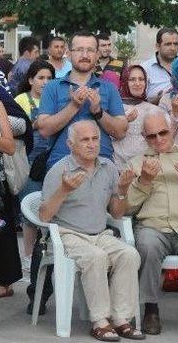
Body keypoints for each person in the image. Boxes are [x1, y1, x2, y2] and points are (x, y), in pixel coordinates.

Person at [40, 120, 144, 341]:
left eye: (95, 139)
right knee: (96, 258)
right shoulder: (59, 170)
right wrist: (64, 190)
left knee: (130, 254)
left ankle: (121, 318)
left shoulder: (108, 167)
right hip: (69, 235)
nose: (91, 144)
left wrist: (123, 190)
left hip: (100, 234)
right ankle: (100, 321)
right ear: (70, 144)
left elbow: (116, 214)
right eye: (84, 140)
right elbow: (44, 216)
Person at [126, 110, 178, 335]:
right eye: (152, 136)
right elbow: (127, 208)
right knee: (147, 245)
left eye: (163, 132)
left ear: (172, 130)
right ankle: (151, 308)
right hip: (152, 227)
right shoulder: (136, 163)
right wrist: (143, 181)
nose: (159, 139)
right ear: (144, 137)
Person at [37, 30, 128, 171]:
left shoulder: (109, 88)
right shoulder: (52, 87)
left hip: (101, 165)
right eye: (79, 50)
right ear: (68, 53)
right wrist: (73, 106)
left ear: (97, 54)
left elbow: (121, 132)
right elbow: (43, 130)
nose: (85, 55)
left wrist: (98, 111)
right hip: (61, 164)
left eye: (90, 50)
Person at [14, 60, 55, 268]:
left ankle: (48, 253)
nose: (45, 82)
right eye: (41, 78)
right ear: (30, 80)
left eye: (49, 78)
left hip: (51, 158)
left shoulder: (57, 99)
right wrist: (34, 124)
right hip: (29, 160)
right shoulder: (21, 99)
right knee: (29, 208)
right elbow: (13, 128)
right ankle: (29, 257)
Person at [113, 65, 158, 171]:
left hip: (145, 168)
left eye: (141, 79)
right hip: (118, 168)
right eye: (132, 79)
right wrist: (124, 121)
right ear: (124, 82)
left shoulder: (152, 109)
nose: (137, 83)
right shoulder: (114, 106)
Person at [158, 54, 178, 150]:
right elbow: (162, 140)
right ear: (177, 75)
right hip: (177, 158)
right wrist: (175, 114)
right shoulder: (167, 100)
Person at [142, 28, 178, 103]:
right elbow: (138, 102)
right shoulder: (145, 68)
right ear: (157, 46)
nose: (173, 48)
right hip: (157, 113)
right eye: (168, 44)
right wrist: (158, 99)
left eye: (175, 44)